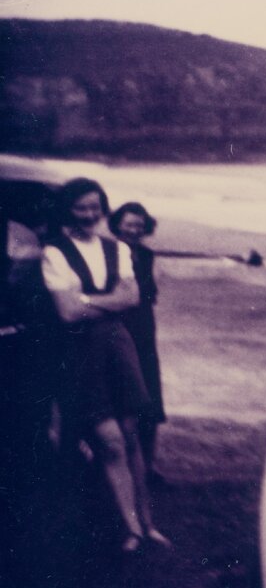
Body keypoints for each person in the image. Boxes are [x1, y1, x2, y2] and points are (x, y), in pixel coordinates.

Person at [42, 178, 170, 553]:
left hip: (119, 347)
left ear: (103, 210)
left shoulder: (118, 248)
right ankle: (130, 528)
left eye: (95, 207)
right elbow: (67, 313)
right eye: (80, 207)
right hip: (81, 352)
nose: (88, 215)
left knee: (130, 436)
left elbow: (132, 298)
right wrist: (108, 300)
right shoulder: (55, 252)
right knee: (110, 441)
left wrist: (86, 299)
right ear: (68, 210)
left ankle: (147, 525)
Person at [109, 202, 167, 486]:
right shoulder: (106, 251)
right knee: (119, 397)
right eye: (128, 224)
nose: (133, 230)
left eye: (139, 225)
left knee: (150, 396)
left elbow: (150, 294)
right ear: (117, 224)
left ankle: (149, 465)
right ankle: (120, 464)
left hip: (144, 329)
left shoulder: (147, 255)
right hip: (117, 325)